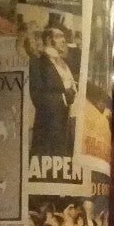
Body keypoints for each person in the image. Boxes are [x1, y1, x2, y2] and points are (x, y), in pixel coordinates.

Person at [30, 14, 78, 159]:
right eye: (58, 36)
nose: (63, 40)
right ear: (48, 40)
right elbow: (37, 96)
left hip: (65, 127)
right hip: (48, 132)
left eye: (64, 36)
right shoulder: (39, 63)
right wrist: (63, 97)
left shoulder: (63, 63)